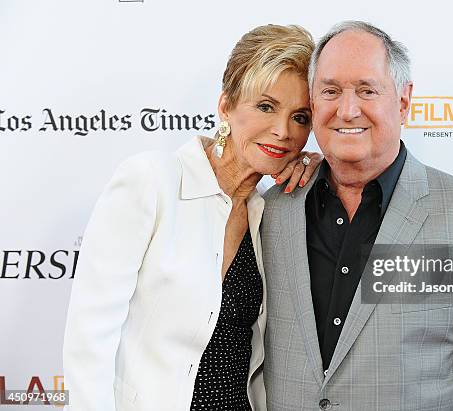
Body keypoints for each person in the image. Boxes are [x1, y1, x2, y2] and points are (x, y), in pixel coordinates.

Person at [262, 21, 453, 410]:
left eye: (366, 90)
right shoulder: (272, 210)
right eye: (330, 91)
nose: (347, 109)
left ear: (403, 102)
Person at [63, 24, 320, 411]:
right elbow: (88, 341)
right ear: (226, 105)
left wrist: (323, 174)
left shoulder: (271, 212)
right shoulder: (151, 182)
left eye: (300, 117)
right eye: (265, 107)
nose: (283, 131)